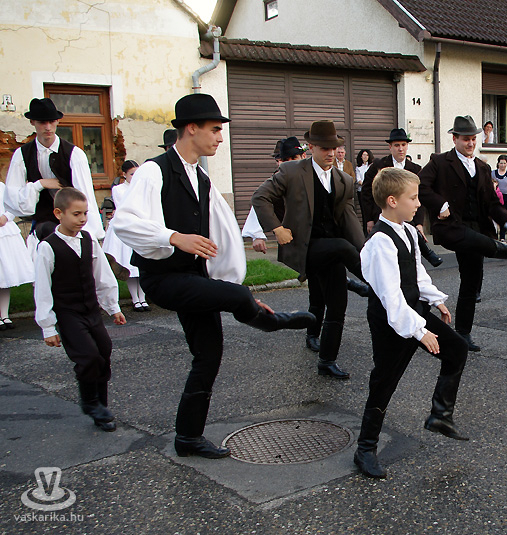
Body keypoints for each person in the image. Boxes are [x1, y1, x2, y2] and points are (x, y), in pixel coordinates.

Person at [113, 94, 315, 458]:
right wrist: (173, 237)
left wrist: (234, 289)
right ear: (191, 128)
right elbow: (124, 222)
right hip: (163, 278)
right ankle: (272, 323)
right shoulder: (154, 171)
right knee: (235, 302)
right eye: (215, 130)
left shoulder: (201, 178)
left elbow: (221, 237)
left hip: (195, 278)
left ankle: (188, 437)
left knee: (209, 354)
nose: (221, 138)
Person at [354, 167, 469, 479]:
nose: (419, 204)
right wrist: (420, 331)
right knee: (384, 382)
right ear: (392, 201)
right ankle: (365, 449)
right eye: (413, 198)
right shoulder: (379, 242)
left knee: (457, 348)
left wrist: (435, 299)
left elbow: (416, 273)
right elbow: (390, 297)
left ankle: (440, 415)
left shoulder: (408, 231)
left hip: (414, 311)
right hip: (391, 321)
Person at [252, 120, 366, 380]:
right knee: (342, 248)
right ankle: (377, 282)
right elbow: (260, 197)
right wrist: (276, 228)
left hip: (333, 250)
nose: (330, 153)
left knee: (337, 306)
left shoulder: (344, 180)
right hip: (306, 248)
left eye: (334, 148)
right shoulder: (292, 171)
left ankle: (327, 361)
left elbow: (348, 218)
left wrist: (364, 250)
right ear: (311, 147)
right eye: (324, 148)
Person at [419, 115, 507, 352]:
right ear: (455, 139)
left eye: (473, 139)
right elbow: (420, 186)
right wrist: (440, 204)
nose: (470, 143)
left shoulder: (483, 167)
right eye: (465, 139)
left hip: (477, 227)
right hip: (452, 227)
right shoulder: (439, 162)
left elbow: (491, 203)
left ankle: (463, 333)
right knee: (480, 244)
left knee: (471, 282)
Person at [34, 187, 126, 431]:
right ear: (58, 213)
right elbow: (42, 287)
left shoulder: (88, 240)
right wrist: (48, 327)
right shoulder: (48, 247)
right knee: (88, 357)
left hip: (91, 310)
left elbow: (102, 275)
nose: (82, 219)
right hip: (68, 313)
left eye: (85, 213)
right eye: (76, 214)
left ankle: (101, 406)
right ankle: (90, 403)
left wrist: (113, 307)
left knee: (103, 351)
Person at [4, 98, 104, 260]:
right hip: (44, 223)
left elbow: (86, 195)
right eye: (42, 122)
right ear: (32, 122)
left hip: (73, 224)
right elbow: (13, 198)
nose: (48, 127)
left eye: (51, 122)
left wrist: (91, 235)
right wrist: (39, 185)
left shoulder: (74, 154)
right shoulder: (22, 155)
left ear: (57, 121)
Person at [360, 128, 443, 267]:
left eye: (403, 145)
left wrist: (419, 223)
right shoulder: (379, 166)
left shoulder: (415, 169)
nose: (400, 149)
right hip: (385, 213)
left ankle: (425, 255)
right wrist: (369, 219)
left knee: (410, 244)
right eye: (397, 145)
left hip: (407, 216)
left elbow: (420, 197)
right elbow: (366, 193)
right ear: (390, 147)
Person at [103, 160, 149, 311]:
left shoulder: (142, 188)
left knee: (141, 267)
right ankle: (135, 299)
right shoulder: (119, 189)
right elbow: (125, 206)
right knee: (130, 266)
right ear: (124, 175)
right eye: (131, 174)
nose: (135, 177)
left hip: (139, 226)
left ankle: (143, 298)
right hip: (126, 227)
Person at [0, 180, 35, 330]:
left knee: (4, 278)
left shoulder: (2, 187)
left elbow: (12, 206)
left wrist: (6, 217)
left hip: (4, 234)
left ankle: (4, 315)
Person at [354, 149, 374, 234]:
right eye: (363, 155)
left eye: (367, 155)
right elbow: (358, 179)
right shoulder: (358, 168)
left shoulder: (371, 166)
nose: (365, 157)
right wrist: (365, 184)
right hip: (361, 191)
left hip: (371, 191)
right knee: (363, 210)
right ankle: (365, 231)